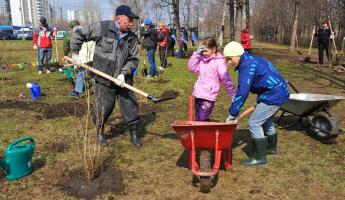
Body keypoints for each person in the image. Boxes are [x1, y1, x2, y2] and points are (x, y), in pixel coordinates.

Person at [70, 5, 142, 147]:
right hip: (104, 78)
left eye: (132, 20)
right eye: (129, 20)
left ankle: (134, 133)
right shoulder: (102, 28)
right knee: (103, 107)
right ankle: (100, 131)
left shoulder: (132, 38)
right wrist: (75, 53)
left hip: (123, 80)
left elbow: (134, 59)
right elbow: (79, 34)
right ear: (118, 18)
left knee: (130, 106)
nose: (131, 23)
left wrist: (123, 73)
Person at [223, 41, 290, 166]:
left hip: (273, 95)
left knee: (254, 123)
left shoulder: (247, 65)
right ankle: (271, 148)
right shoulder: (252, 59)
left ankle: (260, 158)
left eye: (229, 59)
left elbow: (242, 91)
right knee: (267, 121)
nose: (228, 62)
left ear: (237, 55)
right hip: (279, 92)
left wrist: (232, 114)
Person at [188, 37, 237, 121]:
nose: (203, 53)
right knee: (199, 119)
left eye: (206, 51)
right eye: (202, 51)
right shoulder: (201, 59)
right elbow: (191, 68)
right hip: (198, 93)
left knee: (202, 119)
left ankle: (204, 133)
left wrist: (233, 94)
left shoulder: (219, 62)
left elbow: (226, 79)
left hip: (209, 96)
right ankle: (202, 133)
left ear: (213, 49)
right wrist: (196, 54)